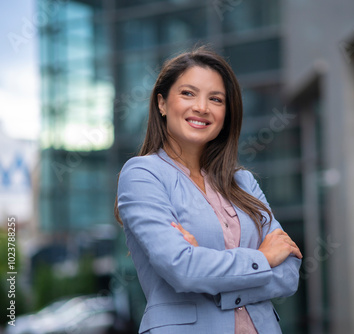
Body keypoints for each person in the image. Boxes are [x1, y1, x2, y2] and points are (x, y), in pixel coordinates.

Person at [115, 46, 302, 334]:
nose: (202, 107)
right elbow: (183, 270)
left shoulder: (243, 182)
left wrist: (209, 270)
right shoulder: (142, 174)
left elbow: (288, 275)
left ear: (227, 113)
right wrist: (262, 258)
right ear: (162, 104)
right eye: (188, 93)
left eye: (215, 99)